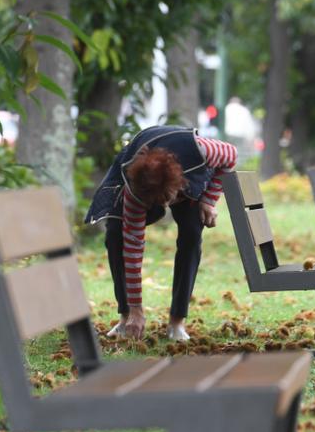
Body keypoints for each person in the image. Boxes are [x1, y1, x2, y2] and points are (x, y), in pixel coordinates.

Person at [85, 125, 237, 341]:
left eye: (169, 199)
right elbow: (133, 249)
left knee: (192, 233)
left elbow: (232, 155)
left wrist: (208, 200)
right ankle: (126, 317)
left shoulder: (201, 150)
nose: (166, 206)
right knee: (115, 234)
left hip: (188, 173)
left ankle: (177, 322)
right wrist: (136, 308)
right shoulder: (134, 192)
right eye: (160, 203)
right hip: (142, 177)